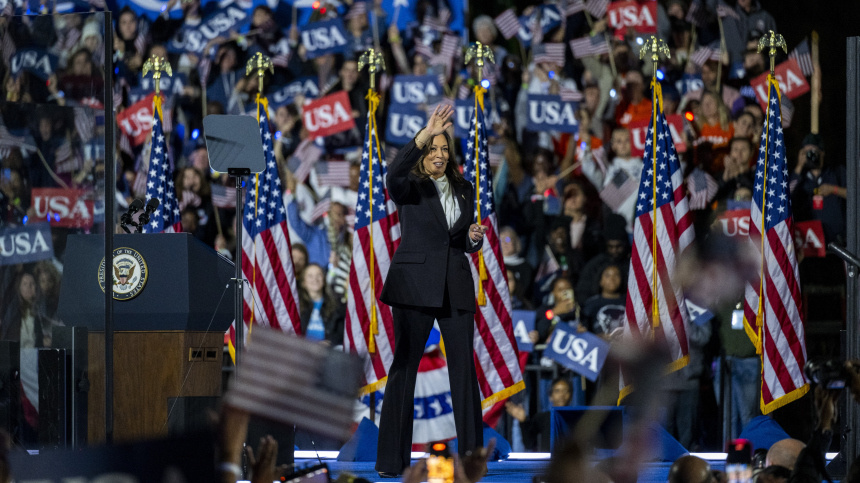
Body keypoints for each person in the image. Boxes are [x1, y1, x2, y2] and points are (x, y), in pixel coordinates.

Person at [375, 105, 487, 478]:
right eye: (433, 148)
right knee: (404, 369)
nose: (439, 154)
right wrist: (424, 132)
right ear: (423, 152)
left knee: (464, 372)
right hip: (413, 285)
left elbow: (458, 237)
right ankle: (393, 461)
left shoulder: (464, 187)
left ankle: (471, 458)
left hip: (454, 283)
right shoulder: (410, 185)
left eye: (444, 149)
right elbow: (392, 174)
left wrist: (472, 239)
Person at [504, 377, 573, 451]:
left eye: (565, 391)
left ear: (571, 395)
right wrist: (523, 421)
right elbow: (529, 444)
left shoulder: (577, 418)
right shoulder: (542, 417)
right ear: (550, 397)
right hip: (548, 461)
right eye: (557, 391)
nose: (561, 395)